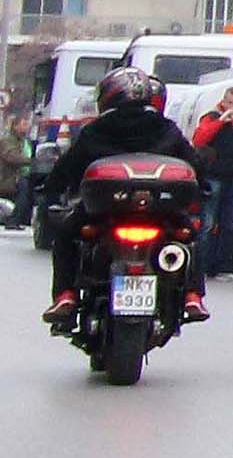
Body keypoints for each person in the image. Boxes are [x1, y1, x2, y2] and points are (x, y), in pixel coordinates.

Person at [35, 67, 196, 320]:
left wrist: (50, 188)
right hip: (158, 210)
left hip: (105, 210)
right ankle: (192, 296)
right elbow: (192, 161)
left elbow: (69, 165)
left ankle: (66, 295)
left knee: (66, 235)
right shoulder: (165, 127)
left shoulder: (97, 129)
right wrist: (203, 187)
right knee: (189, 237)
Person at [191, 86, 233, 277]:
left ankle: (223, 267)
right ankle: (200, 268)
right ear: (224, 102)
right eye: (231, 103)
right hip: (213, 177)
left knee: (229, 225)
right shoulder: (211, 117)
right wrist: (221, 121)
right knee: (208, 224)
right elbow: (199, 139)